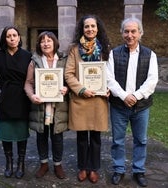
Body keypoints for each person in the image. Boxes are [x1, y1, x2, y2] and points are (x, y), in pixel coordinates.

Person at [106, 17, 158, 187]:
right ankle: (119, 169)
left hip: (141, 107)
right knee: (118, 140)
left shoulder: (150, 55)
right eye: (126, 31)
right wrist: (123, 96)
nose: (130, 35)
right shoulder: (114, 54)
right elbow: (109, 79)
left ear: (140, 33)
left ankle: (138, 170)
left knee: (141, 140)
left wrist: (135, 96)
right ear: (122, 33)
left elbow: (152, 80)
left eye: (133, 31)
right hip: (119, 106)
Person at [64, 15, 110, 183]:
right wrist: (81, 89)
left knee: (96, 138)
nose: (90, 29)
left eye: (93, 26)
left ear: (98, 29)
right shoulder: (75, 50)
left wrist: (108, 88)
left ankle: (94, 168)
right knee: (82, 138)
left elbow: (110, 74)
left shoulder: (105, 49)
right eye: (86, 26)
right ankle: (83, 167)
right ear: (82, 29)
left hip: (98, 100)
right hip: (81, 100)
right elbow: (68, 74)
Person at [0, 26, 32, 179]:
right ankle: (9, 163)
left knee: (21, 132)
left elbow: (32, 78)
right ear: (4, 39)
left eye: (15, 35)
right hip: (4, 97)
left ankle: (21, 163)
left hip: (22, 97)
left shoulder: (27, 55)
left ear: (19, 37)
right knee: (6, 131)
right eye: (8, 36)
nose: (12, 38)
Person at [24, 31, 69, 179]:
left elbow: (70, 80)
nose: (46, 43)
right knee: (41, 136)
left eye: (49, 40)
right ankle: (43, 164)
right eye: (42, 41)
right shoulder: (34, 61)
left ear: (55, 43)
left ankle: (58, 165)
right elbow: (28, 83)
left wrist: (66, 88)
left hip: (58, 107)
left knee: (57, 137)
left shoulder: (64, 60)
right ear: (39, 45)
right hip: (40, 106)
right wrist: (32, 96)